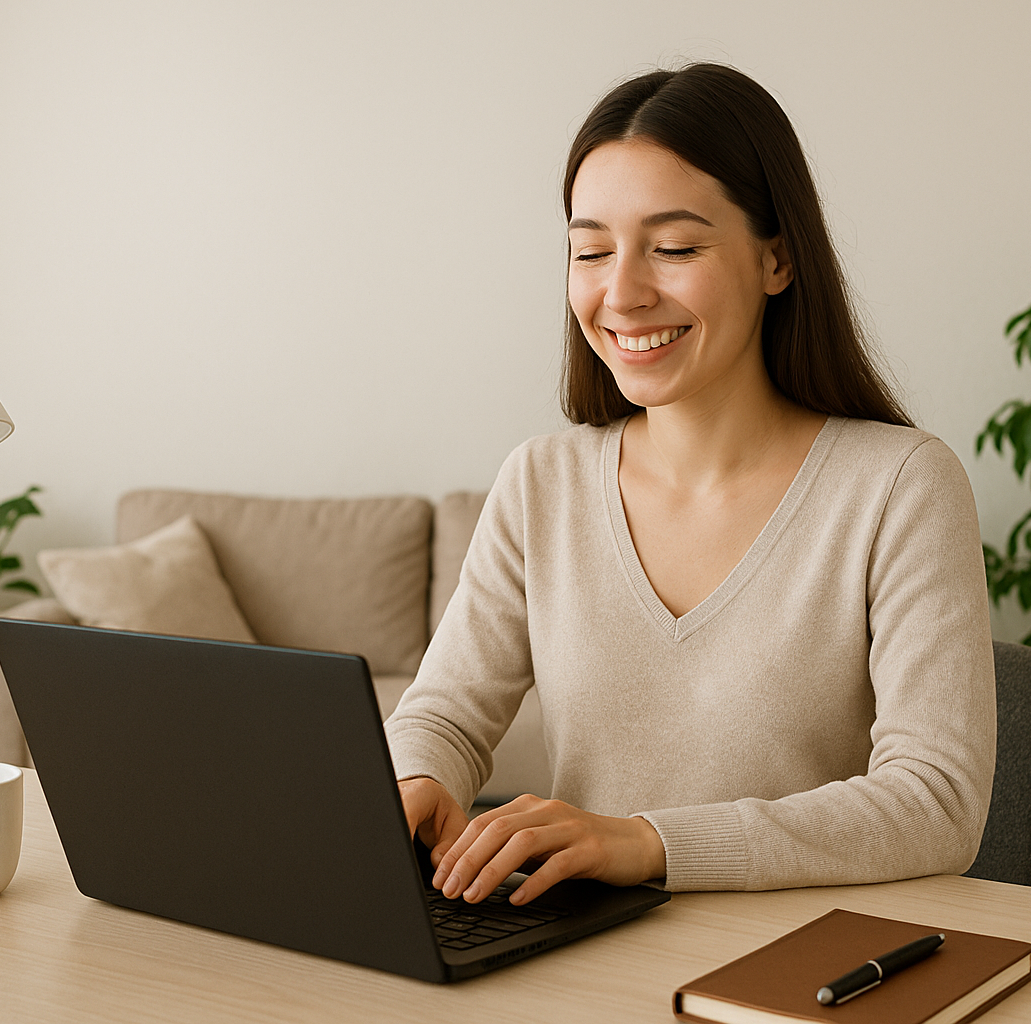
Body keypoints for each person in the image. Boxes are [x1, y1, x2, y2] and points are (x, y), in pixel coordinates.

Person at [385, 63, 995, 907]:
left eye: (673, 248)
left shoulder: (898, 486)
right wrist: (414, 779)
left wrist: (647, 843)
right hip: (582, 951)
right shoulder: (541, 482)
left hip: (800, 964)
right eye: (590, 250)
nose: (623, 293)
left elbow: (937, 804)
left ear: (776, 259)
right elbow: (443, 715)